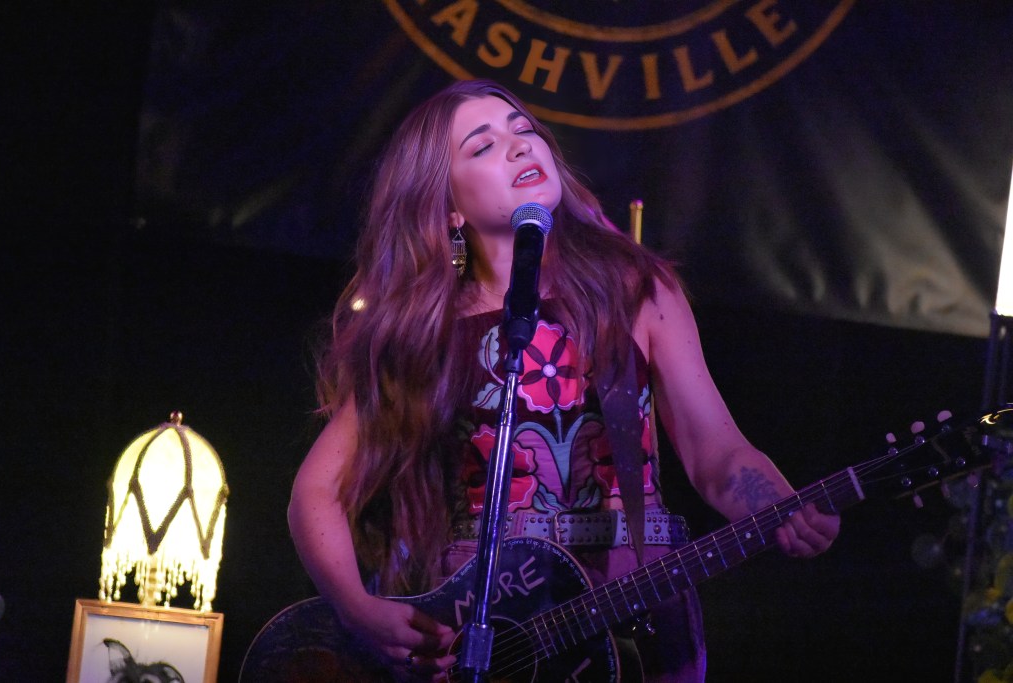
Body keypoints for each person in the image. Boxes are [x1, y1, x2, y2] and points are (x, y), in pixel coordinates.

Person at [287, 79, 839, 682]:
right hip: (486, 629)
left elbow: (714, 450)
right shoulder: (424, 330)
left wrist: (779, 503)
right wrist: (358, 609)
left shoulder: (636, 289)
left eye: (523, 130)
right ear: (448, 206)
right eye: (483, 145)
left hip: (636, 611)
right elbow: (317, 492)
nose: (521, 146)